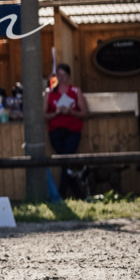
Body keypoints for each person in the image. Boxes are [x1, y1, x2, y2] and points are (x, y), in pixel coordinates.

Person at [44, 63, 88, 197]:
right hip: (56, 132)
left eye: (64, 75)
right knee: (66, 163)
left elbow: (85, 113)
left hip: (72, 131)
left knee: (65, 160)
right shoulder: (50, 93)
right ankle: (77, 193)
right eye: (59, 75)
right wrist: (56, 113)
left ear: (69, 76)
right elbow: (44, 115)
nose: (62, 78)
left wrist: (71, 111)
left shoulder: (75, 91)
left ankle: (61, 194)